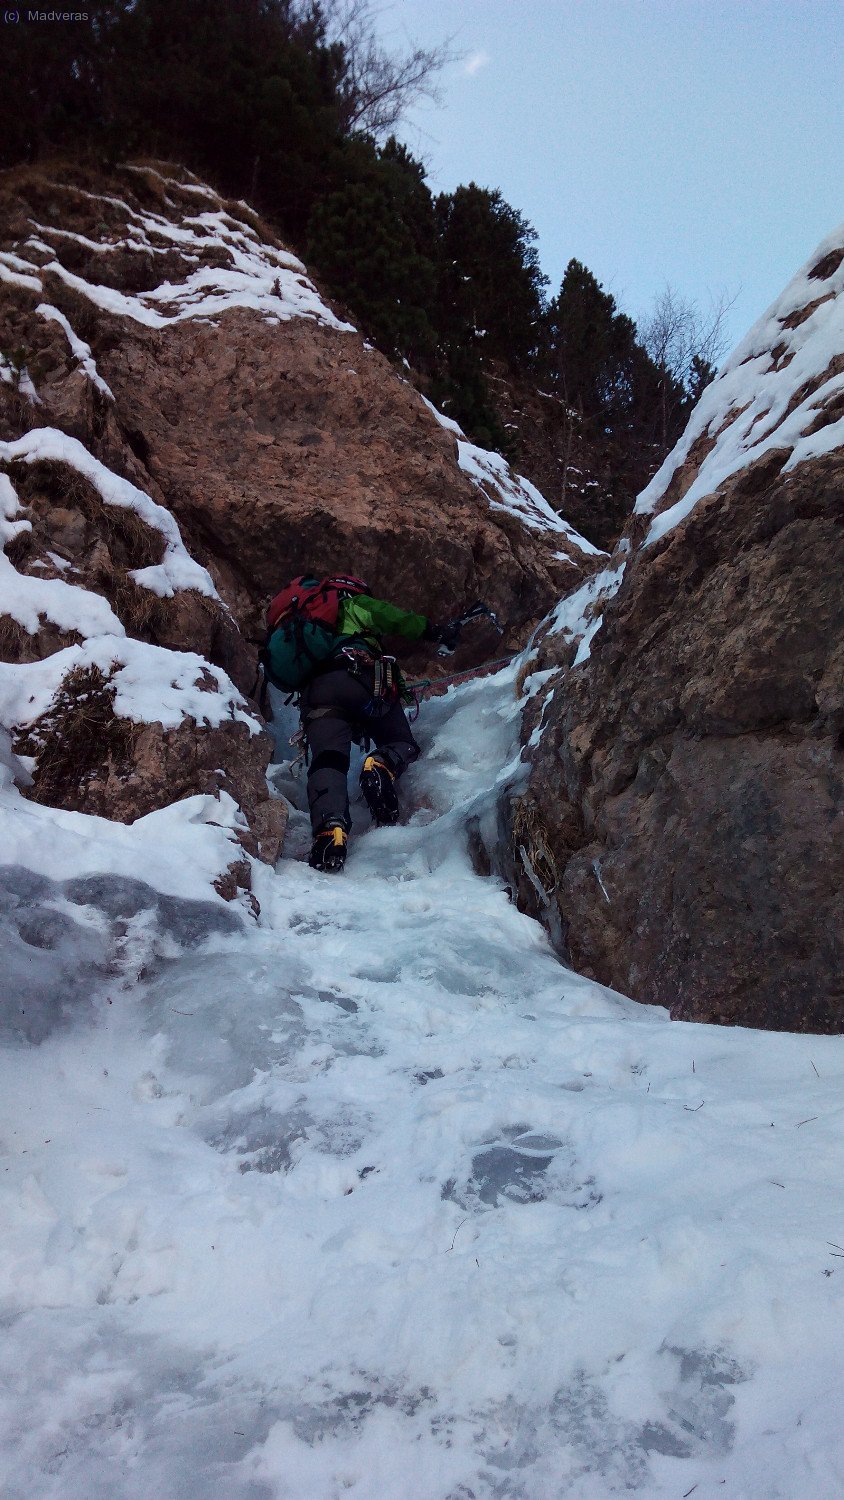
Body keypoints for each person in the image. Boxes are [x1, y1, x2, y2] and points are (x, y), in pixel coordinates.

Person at [300, 584, 457, 872]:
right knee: (401, 742)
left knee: (329, 759)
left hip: (317, 692)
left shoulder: (306, 625)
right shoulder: (353, 605)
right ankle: (380, 765)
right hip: (359, 676)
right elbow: (393, 618)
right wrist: (434, 631)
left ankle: (330, 833)